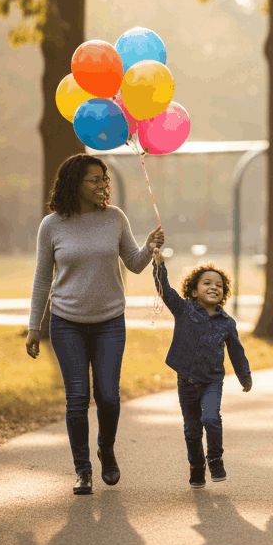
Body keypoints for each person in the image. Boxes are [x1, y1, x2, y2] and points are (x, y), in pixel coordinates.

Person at [25, 153, 164, 496]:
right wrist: (33, 326)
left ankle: (107, 447)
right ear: (76, 184)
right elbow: (43, 278)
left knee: (109, 397)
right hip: (66, 323)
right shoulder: (52, 225)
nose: (104, 185)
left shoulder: (115, 219)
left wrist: (148, 247)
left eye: (106, 179)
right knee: (77, 398)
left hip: (109, 322)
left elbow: (132, 263)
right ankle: (83, 470)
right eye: (96, 179)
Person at [151, 246, 252, 488]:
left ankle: (215, 459)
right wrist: (159, 265)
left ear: (224, 293)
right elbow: (164, 290)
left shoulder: (227, 323)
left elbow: (237, 352)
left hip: (212, 381)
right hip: (186, 382)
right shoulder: (184, 309)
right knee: (192, 430)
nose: (213, 287)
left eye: (219, 285)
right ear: (194, 290)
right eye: (207, 283)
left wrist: (244, 376)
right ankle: (196, 466)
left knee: (210, 418)